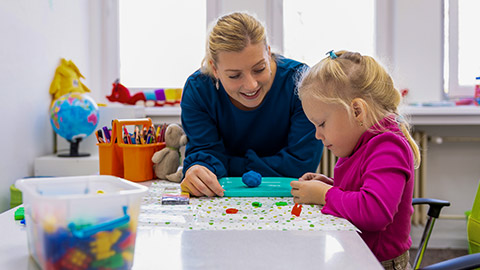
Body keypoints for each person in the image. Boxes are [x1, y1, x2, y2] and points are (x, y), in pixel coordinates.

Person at [291, 50, 420, 270]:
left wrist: (324, 194)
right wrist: (330, 185)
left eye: (321, 124)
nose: (317, 135)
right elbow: (362, 189)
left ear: (357, 111)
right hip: (357, 255)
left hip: (381, 264)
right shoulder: (361, 142)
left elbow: (374, 212)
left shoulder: (388, 147)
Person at [180, 12, 323, 197]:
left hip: (289, 197)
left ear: (268, 52)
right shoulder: (198, 90)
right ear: (214, 69)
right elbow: (204, 155)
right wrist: (198, 170)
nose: (251, 85)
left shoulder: (301, 83)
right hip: (223, 199)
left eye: (259, 69)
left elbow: (301, 164)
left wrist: (227, 165)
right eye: (234, 75)